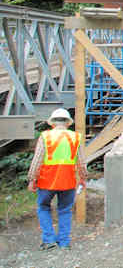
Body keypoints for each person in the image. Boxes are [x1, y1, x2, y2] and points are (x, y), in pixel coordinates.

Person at [27, 108, 87, 251]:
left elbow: (37, 160)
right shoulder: (75, 137)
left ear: (52, 123)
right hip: (67, 181)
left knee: (43, 207)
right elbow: (81, 161)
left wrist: (31, 179)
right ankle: (64, 243)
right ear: (67, 123)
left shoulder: (45, 136)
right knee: (65, 210)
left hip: (47, 181)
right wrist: (83, 178)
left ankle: (49, 241)